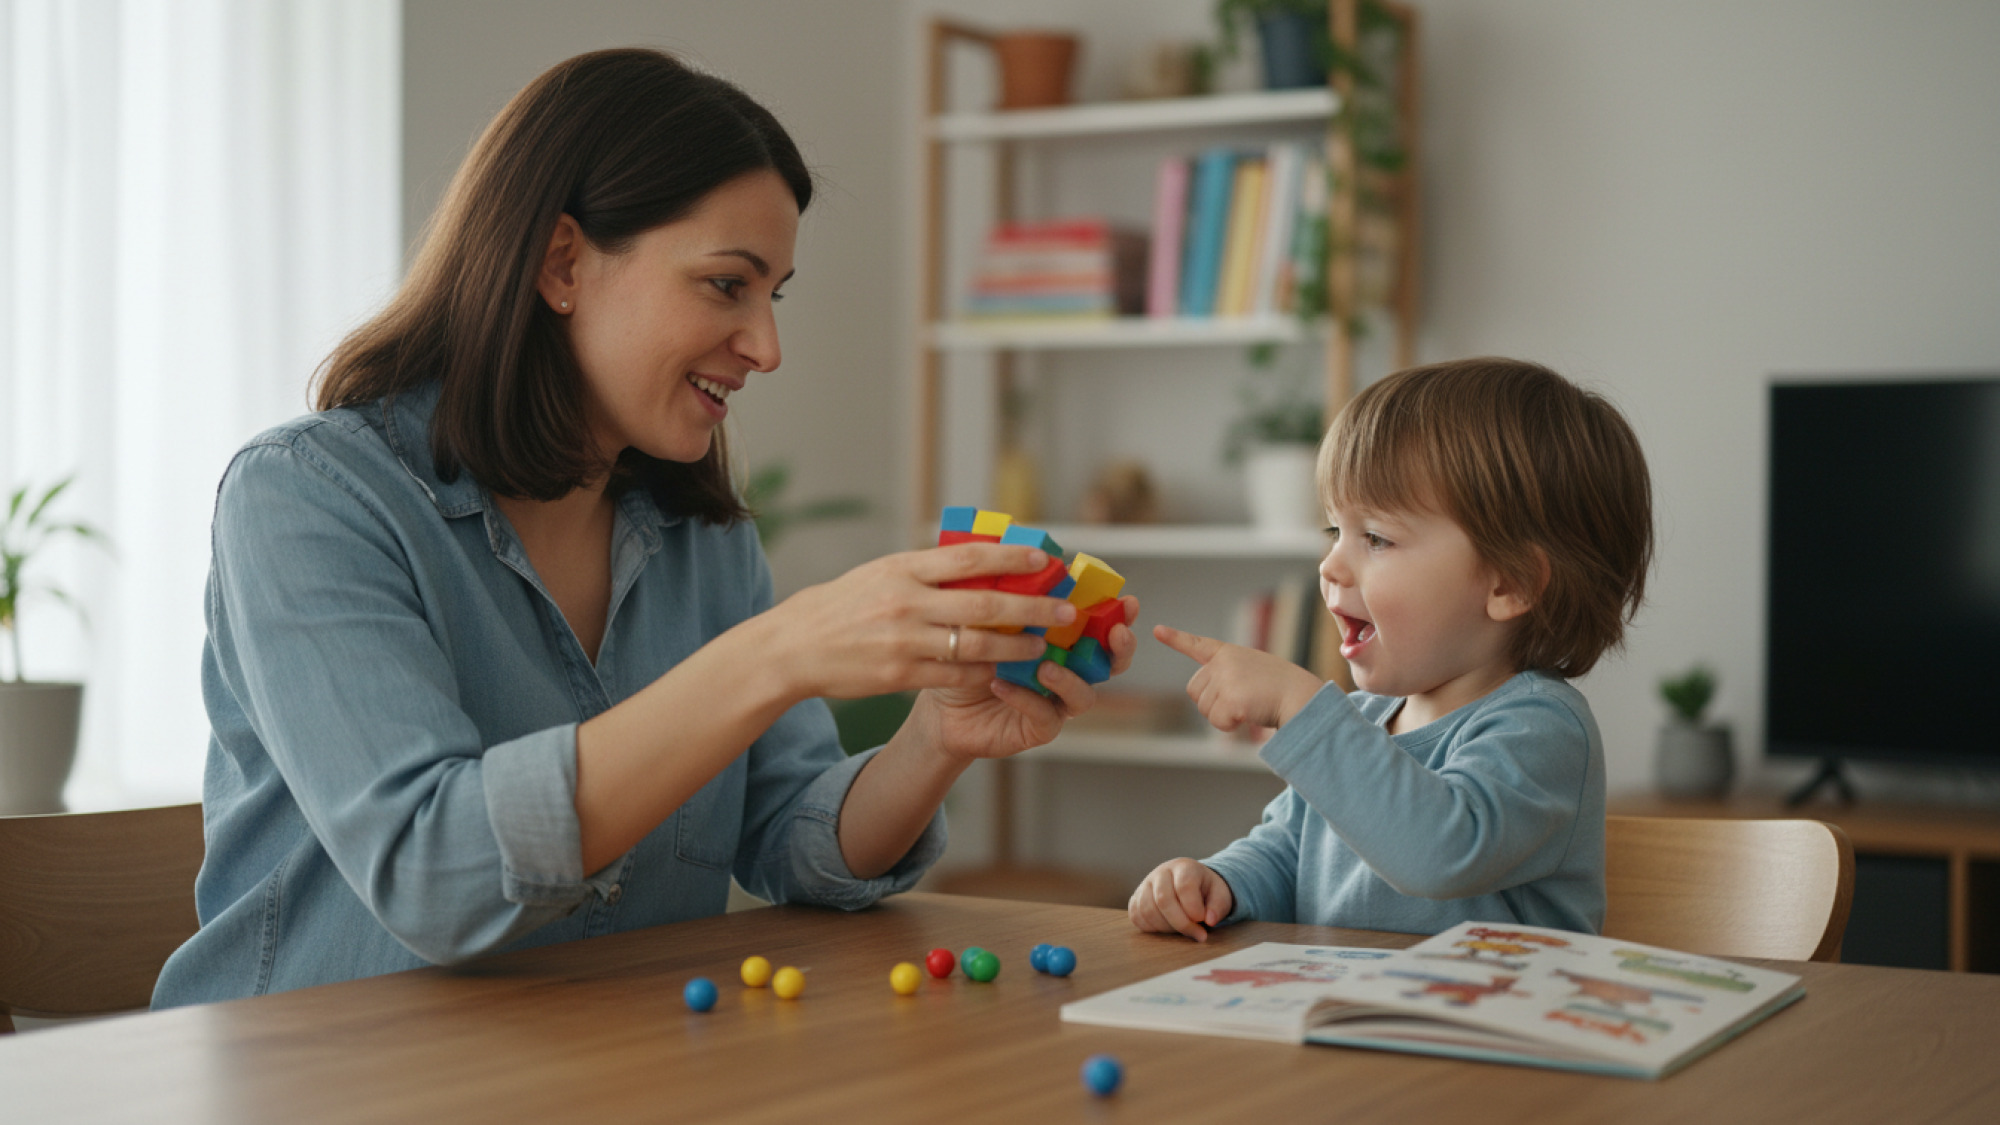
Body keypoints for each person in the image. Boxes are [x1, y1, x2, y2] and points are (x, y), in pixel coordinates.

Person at [153, 48, 1137, 1008]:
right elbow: (432, 873)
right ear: (561, 263)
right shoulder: (307, 500)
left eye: (773, 295)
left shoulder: (694, 533)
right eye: (726, 284)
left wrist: (936, 739)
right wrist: (777, 653)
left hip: (599, 1071)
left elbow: (790, 840)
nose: (766, 346)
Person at [1130, 358, 1652, 941]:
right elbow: (1285, 854)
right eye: (1335, 532)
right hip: (1343, 1016)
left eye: (1376, 538)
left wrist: (1301, 706)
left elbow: (1439, 851)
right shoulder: (1358, 722)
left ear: (1512, 583)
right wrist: (1217, 881)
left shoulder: (1542, 729)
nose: (1330, 565)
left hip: (1490, 1028)